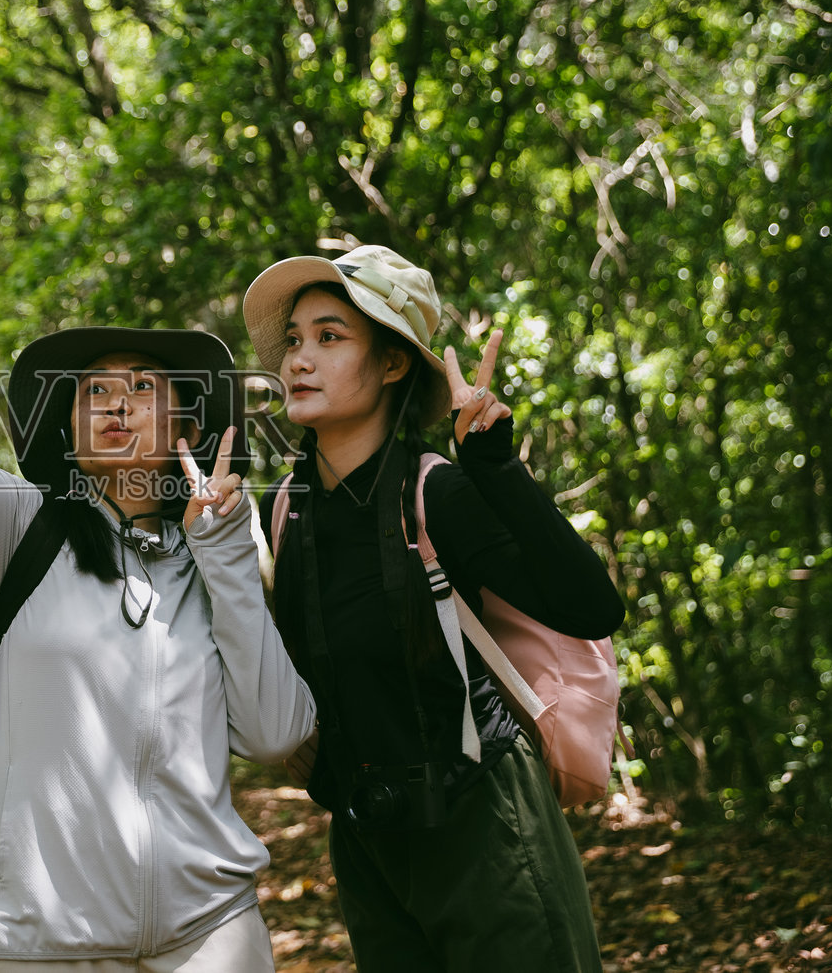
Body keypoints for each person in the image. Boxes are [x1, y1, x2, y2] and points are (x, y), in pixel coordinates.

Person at [0, 163, 317, 971]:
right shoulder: (4, 526)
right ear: (70, 427)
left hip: (211, 929)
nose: (117, 404)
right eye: (94, 392)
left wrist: (226, 552)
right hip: (32, 937)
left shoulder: (216, 557)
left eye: (141, 389)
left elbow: (277, 734)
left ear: (184, 427)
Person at [241, 244, 626, 972]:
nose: (298, 358)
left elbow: (591, 603)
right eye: (293, 339)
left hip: (484, 824)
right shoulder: (289, 510)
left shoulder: (436, 493)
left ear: (392, 364)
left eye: (330, 336)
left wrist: (497, 468)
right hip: (368, 841)